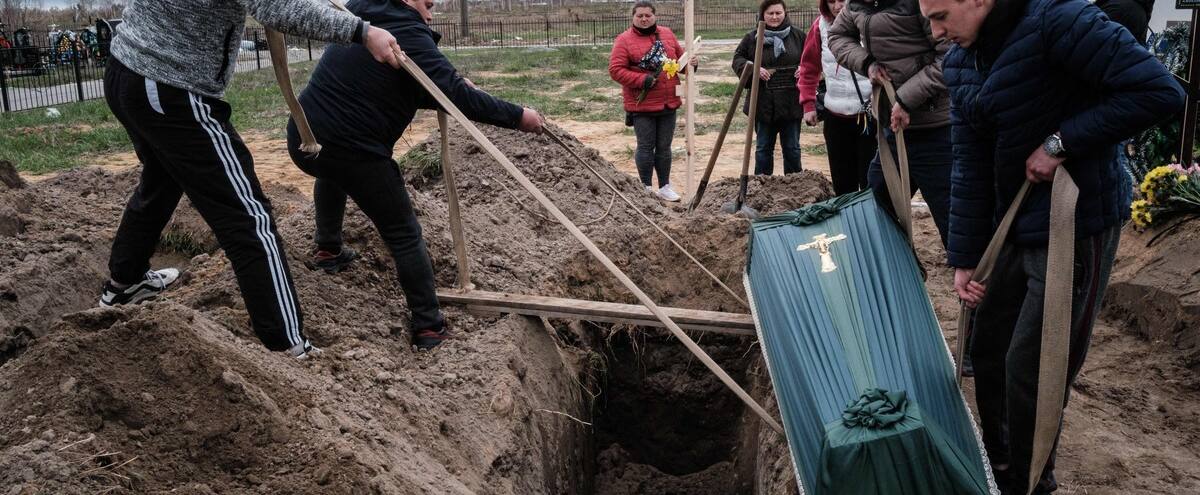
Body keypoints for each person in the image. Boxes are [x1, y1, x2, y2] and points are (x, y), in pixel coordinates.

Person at [925, 0, 1185, 491]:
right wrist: (965, 257)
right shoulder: (961, 60)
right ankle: (1000, 470)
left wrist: (1061, 143)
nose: (935, 32)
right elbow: (968, 162)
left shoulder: (1059, 21)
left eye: (940, 16)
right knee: (989, 352)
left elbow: (1157, 91)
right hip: (1011, 222)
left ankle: (1031, 482)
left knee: (1034, 366)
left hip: (1074, 222)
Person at [97, 0, 404, 359]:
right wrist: (363, 32)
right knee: (249, 219)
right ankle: (288, 346)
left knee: (161, 181)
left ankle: (125, 283)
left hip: (131, 71)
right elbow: (277, 8)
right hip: (170, 86)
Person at [286, 0, 544, 350]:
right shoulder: (406, 31)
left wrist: (451, 86)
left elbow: (403, 82)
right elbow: (456, 98)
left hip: (304, 137)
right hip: (355, 151)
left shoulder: (362, 10)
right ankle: (429, 326)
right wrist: (519, 117)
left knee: (331, 171)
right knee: (404, 233)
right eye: (428, 4)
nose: (432, 12)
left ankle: (328, 250)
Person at [828, 0, 953, 246]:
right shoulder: (856, 4)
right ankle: (894, 273)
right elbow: (837, 35)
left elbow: (950, 57)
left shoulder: (919, 4)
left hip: (936, 130)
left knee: (954, 223)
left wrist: (906, 99)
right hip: (893, 132)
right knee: (876, 207)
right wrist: (867, 63)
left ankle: (973, 277)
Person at [609, 0, 692, 202]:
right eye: (640, 16)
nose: (644, 19)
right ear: (633, 18)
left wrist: (691, 64)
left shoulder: (667, 35)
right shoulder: (624, 40)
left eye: (648, 15)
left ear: (654, 16)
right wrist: (641, 80)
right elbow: (616, 70)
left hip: (668, 102)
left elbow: (680, 63)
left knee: (664, 147)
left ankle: (665, 186)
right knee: (646, 146)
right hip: (642, 105)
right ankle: (645, 188)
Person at [797, 0, 876, 194]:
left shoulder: (872, 22)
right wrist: (808, 104)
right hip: (836, 117)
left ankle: (870, 222)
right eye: (831, 1)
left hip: (869, 116)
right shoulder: (820, 27)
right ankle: (847, 223)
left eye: (842, 0)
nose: (837, 5)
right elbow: (809, 68)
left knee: (872, 182)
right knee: (842, 183)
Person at [733, 0, 806, 176]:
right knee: (763, 148)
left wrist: (804, 69)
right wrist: (753, 68)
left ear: (785, 13)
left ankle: (796, 185)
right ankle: (763, 185)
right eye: (770, 13)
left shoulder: (798, 36)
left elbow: (811, 59)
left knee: (792, 148)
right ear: (762, 15)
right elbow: (738, 60)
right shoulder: (752, 38)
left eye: (778, 13)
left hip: (791, 103)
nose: (774, 17)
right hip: (762, 102)